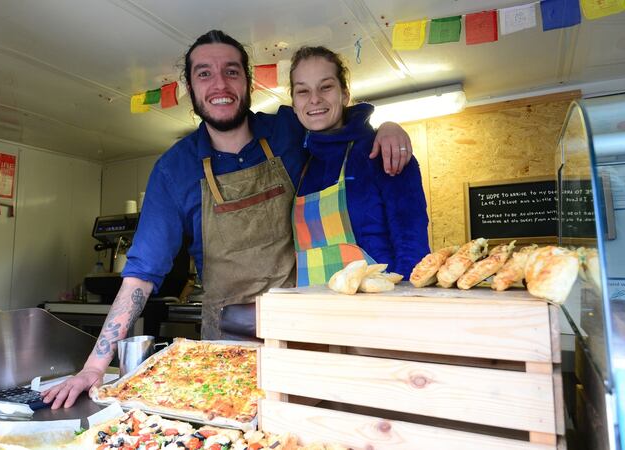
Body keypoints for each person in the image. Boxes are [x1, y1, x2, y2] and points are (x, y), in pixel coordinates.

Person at [42, 30, 413, 409]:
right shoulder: (175, 169)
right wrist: (93, 365)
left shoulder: (287, 130)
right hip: (226, 348)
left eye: (231, 71)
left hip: (303, 335)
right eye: (205, 73)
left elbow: (335, 120)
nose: (220, 84)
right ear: (190, 87)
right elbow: (141, 273)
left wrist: (384, 129)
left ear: (248, 81)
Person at [289, 46, 430, 285]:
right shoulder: (299, 162)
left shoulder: (381, 151)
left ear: (344, 94)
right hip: (314, 312)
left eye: (326, 87)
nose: (315, 98)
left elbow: (413, 246)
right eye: (303, 91)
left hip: (376, 310)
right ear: (293, 104)